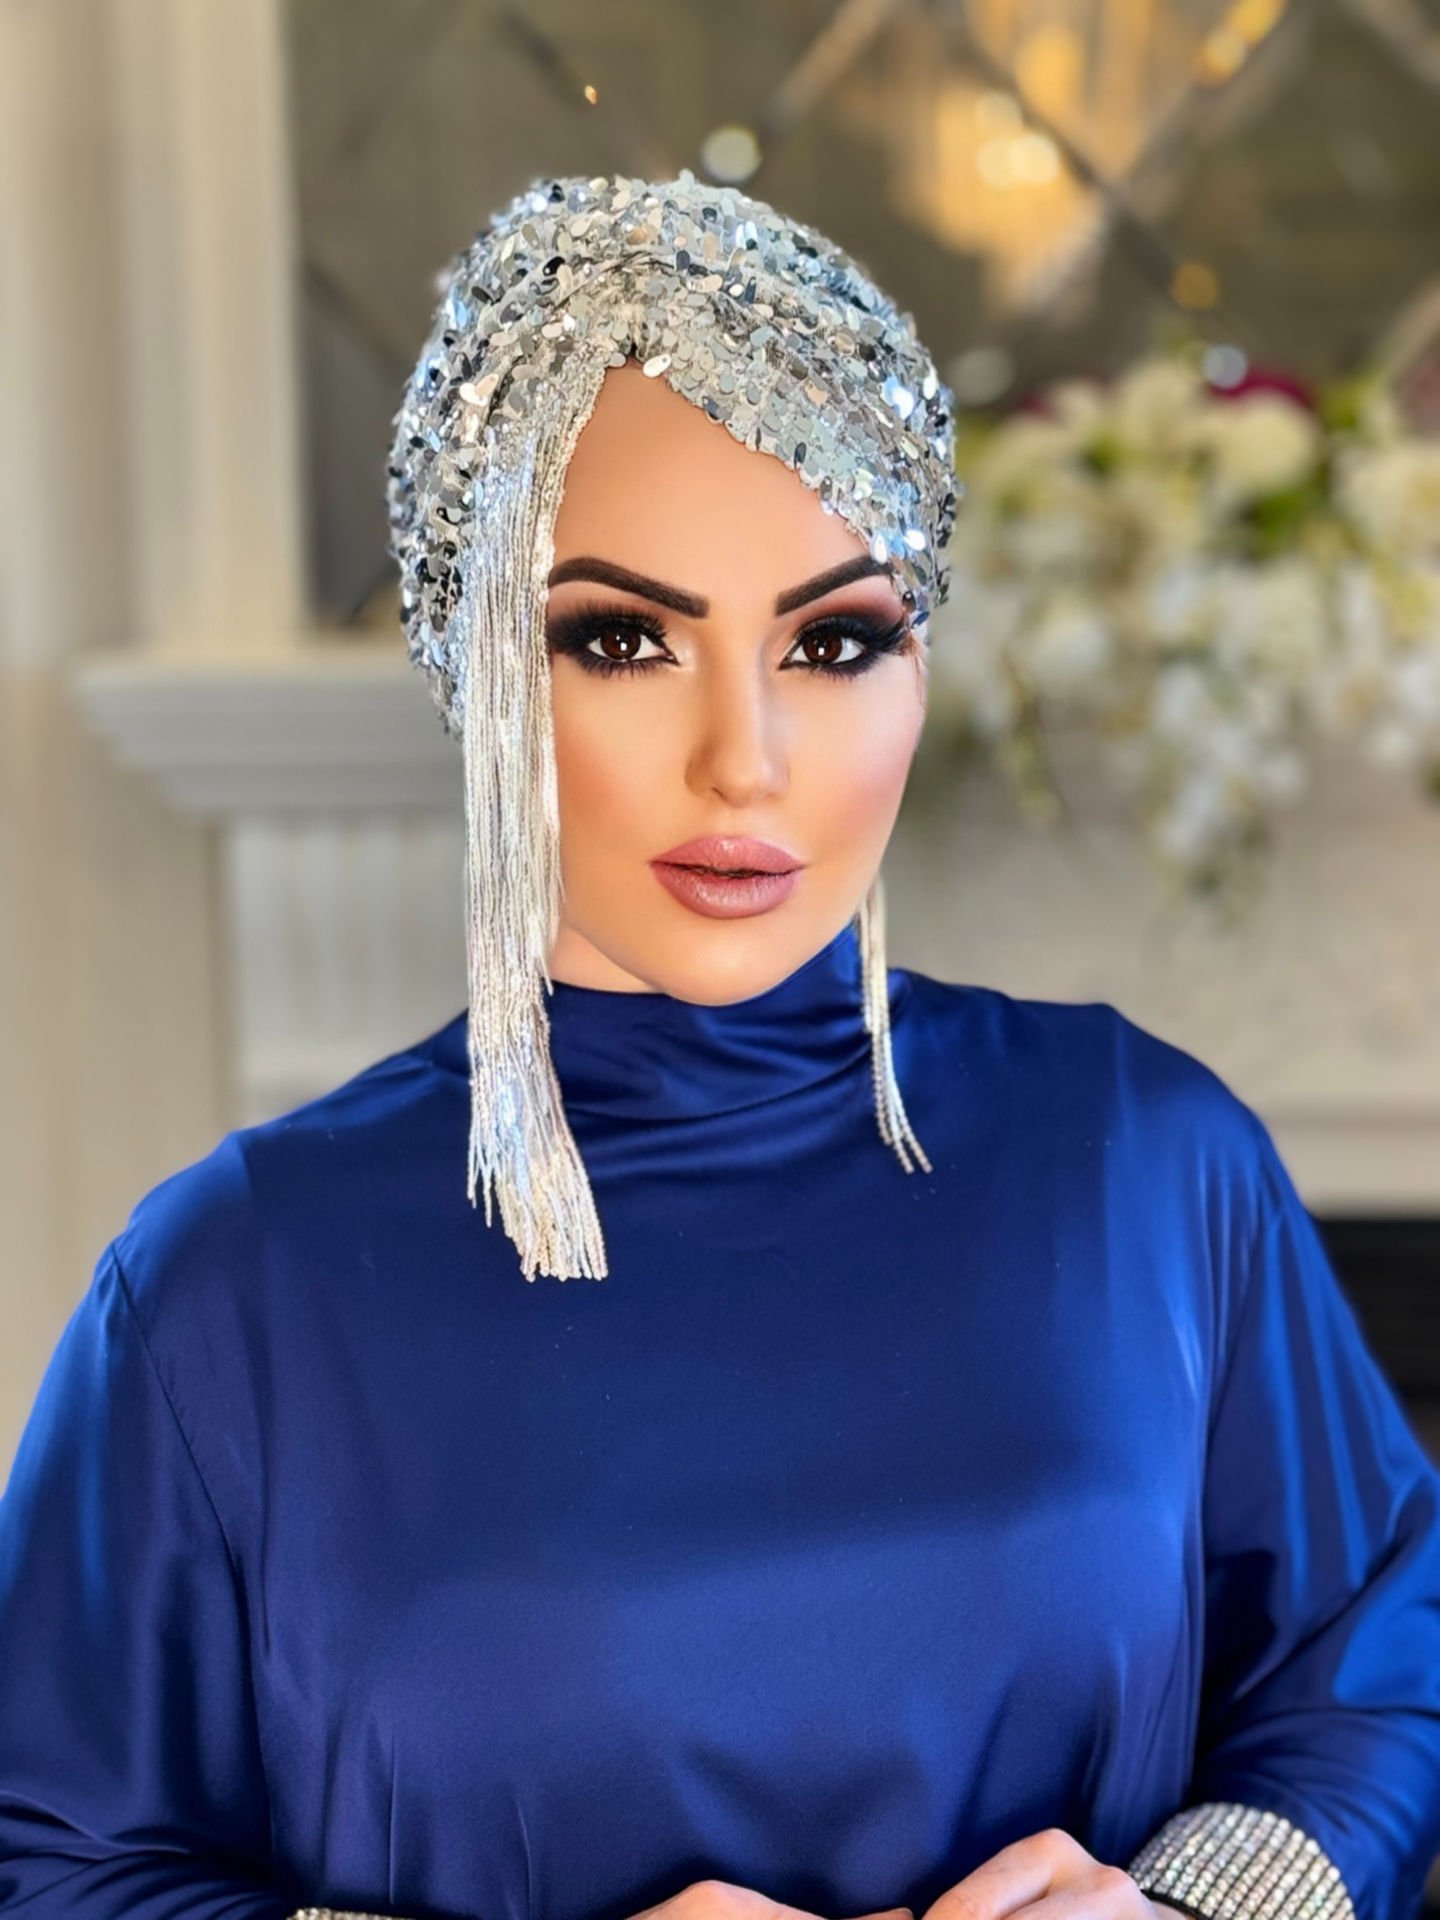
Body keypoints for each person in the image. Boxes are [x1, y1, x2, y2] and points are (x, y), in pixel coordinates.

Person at [1, 170, 1439, 1920]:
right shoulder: (231, 1285)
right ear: (477, 668)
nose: (745, 759)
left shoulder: (1145, 1157)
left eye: (834, 640)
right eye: (623, 639)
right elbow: (52, 1861)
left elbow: (1377, 1664)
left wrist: (1196, 1910)